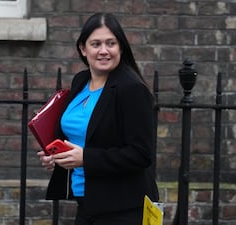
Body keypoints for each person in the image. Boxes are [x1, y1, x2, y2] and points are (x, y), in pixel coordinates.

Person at [37, 12, 159, 225]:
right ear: (83, 49)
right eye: (96, 44)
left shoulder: (131, 89)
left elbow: (141, 154)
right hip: (86, 203)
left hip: (123, 209)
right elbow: (82, 137)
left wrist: (85, 159)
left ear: (121, 47)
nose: (104, 50)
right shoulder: (80, 81)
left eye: (110, 43)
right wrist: (56, 157)